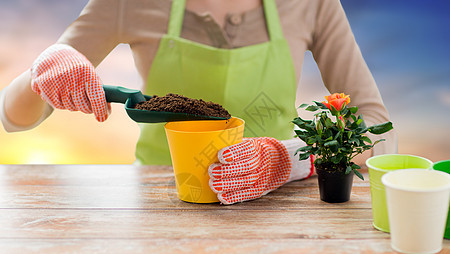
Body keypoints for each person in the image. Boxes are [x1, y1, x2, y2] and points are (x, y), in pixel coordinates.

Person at [0, 0, 397, 204]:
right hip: (161, 205)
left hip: (277, 207)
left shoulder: (311, 5)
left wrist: (289, 159)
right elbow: (13, 118)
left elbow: (378, 129)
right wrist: (43, 71)